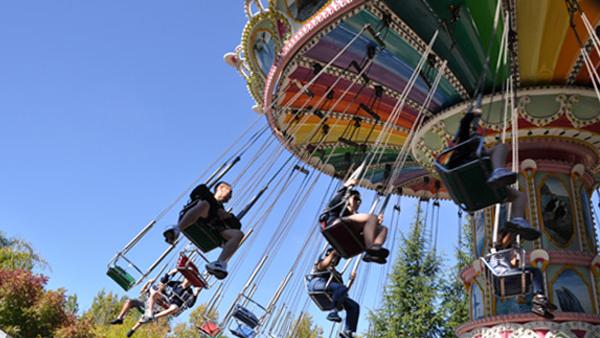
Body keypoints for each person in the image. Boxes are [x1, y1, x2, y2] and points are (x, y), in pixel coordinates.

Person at [449, 106, 540, 241]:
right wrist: (473, 114)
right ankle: (498, 172)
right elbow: (464, 125)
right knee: (501, 147)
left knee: (519, 196)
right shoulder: (463, 148)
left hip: (476, 189)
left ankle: (517, 221)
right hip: (476, 180)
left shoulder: (477, 159)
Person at [163, 181, 244, 279]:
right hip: (200, 216)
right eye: (229, 193)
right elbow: (198, 192)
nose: (230, 197)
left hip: (212, 227)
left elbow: (237, 225)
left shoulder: (222, 210)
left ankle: (219, 263)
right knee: (205, 204)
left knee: (238, 234)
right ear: (221, 188)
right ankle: (177, 230)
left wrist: (228, 216)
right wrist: (217, 210)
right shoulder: (205, 194)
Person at [320, 177, 389, 263]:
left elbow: (366, 228)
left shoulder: (356, 216)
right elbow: (335, 200)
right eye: (356, 199)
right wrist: (346, 186)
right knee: (372, 217)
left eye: (360, 201)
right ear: (347, 199)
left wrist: (376, 224)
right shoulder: (338, 206)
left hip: (348, 229)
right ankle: (370, 247)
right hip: (335, 222)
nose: (358, 202)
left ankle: (373, 251)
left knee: (383, 228)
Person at [491, 231, 557, 319]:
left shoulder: (507, 252)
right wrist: (514, 229)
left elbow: (513, 264)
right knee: (535, 271)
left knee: (529, 277)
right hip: (503, 275)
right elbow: (504, 241)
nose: (510, 240)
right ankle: (538, 297)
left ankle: (538, 306)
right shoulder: (497, 249)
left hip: (508, 276)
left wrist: (516, 256)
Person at [125, 270, 201, 337]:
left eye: (190, 281)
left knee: (174, 308)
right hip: (167, 299)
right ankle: (148, 315)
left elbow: (190, 304)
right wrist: (171, 273)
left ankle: (153, 317)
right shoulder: (177, 283)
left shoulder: (190, 292)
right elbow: (164, 282)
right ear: (185, 278)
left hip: (173, 306)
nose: (188, 281)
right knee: (154, 293)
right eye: (187, 279)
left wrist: (196, 294)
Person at [307, 248, 359, 338]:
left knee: (354, 306)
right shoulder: (320, 263)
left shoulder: (337, 274)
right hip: (317, 283)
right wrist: (334, 252)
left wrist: (351, 280)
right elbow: (322, 266)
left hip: (330, 292)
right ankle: (333, 311)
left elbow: (344, 291)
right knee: (339, 288)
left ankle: (348, 331)